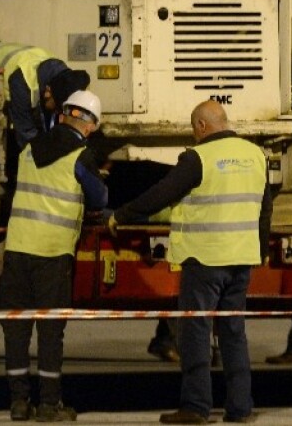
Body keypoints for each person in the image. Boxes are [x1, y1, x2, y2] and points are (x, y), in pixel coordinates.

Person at [109, 100, 270, 425]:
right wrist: (261, 249)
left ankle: (196, 407)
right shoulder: (256, 156)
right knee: (233, 333)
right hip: (241, 259)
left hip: (205, 259)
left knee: (195, 332)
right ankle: (240, 408)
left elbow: (161, 194)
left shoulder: (198, 157)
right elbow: (265, 208)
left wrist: (122, 214)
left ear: (201, 126)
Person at [0, 90, 107, 422]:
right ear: (89, 126)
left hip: (17, 249)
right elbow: (99, 199)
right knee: (50, 331)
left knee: (16, 329)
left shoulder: (30, 149)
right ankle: (49, 405)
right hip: (52, 253)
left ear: (63, 115)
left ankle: (19, 403)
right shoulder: (81, 156)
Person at [0, 42, 90, 148]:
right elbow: (26, 133)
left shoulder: (58, 73)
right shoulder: (22, 83)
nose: (58, 112)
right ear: (48, 93)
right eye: (57, 108)